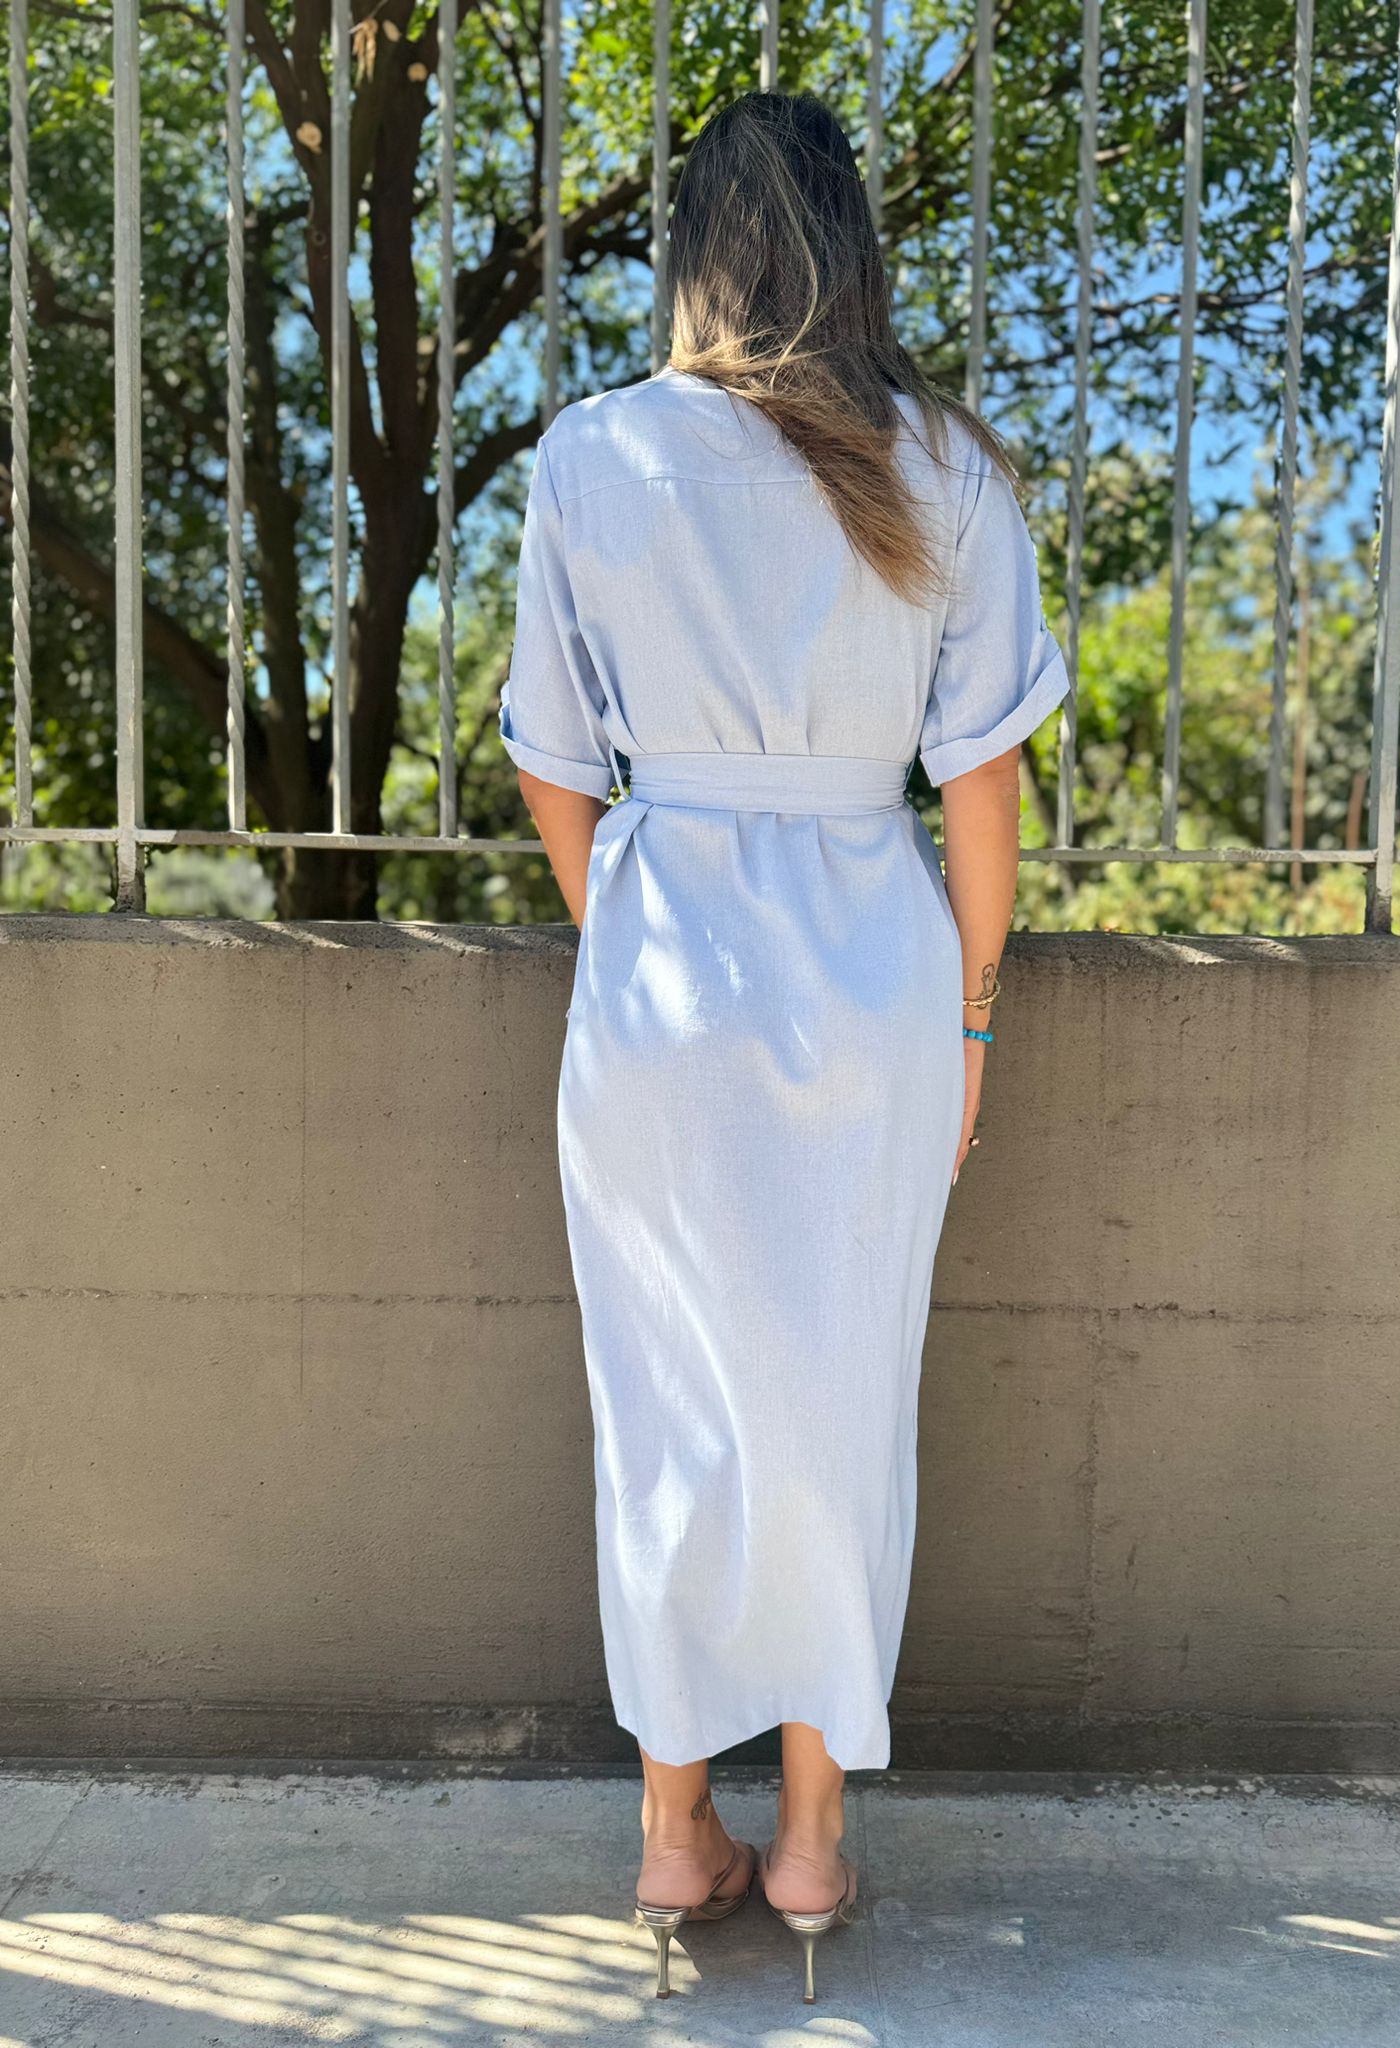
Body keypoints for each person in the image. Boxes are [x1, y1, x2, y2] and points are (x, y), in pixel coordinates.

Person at [499, 87, 1068, 2007]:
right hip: (871, 977)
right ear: (854, 248)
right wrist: (969, 1018)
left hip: (661, 974)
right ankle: (811, 1838)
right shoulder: (946, 465)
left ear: (690, 254)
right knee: (840, 1401)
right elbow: (980, 786)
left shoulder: (592, 455)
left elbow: (553, 765)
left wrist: (635, 943)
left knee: (663, 1404)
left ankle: (678, 1830)